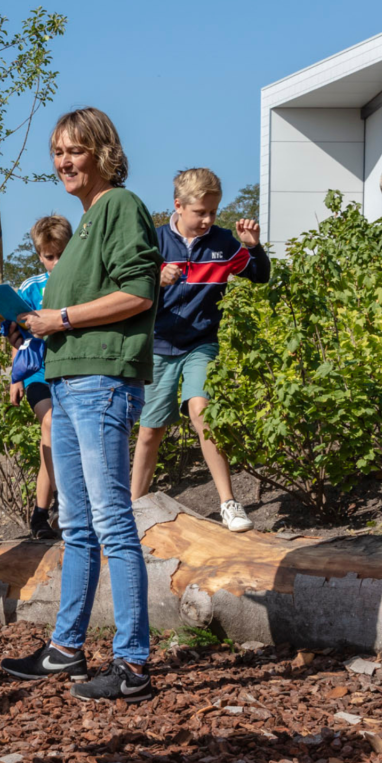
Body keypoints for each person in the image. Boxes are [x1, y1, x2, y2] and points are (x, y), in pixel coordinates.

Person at [3, 108, 162, 703]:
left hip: (101, 381)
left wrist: (61, 318)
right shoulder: (86, 221)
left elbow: (138, 292)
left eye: (74, 150)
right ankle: (67, 647)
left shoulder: (120, 206)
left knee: (112, 519)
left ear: (100, 151)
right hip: (67, 381)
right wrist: (36, 325)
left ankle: (134, 664)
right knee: (76, 524)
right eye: (57, 152)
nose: (64, 162)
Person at [129, 168, 268, 530]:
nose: (208, 220)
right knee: (150, 430)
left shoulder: (222, 244)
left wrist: (253, 246)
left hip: (200, 344)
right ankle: (131, 509)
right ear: (178, 205)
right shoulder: (154, 241)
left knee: (202, 411)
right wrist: (154, 278)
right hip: (158, 346)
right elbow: (126, 286)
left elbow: (259, 275)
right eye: (200, 212)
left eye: (213, 212)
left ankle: (229, 503)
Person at [8, 215, 69, 540]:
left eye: (61, 254)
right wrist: (16, 378)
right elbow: (15, 335)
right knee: (50, 424)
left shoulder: (83, 283)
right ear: (39, 254)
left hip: (73, 370)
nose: (55, 262)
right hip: (39, 373)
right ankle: (53, 505)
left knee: (58, 437)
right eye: (49, 256)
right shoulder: (30, 289)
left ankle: (43, 513)